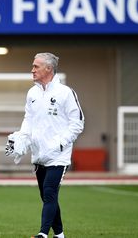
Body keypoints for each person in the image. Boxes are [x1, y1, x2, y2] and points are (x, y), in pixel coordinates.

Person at [6, 52, 84, 238]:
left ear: (48, 69)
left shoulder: (66, 93)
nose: (32, 70)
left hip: (58, 155)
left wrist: (60, 144)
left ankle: (42, 234)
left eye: (36, 66)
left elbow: (78, 123)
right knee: (47, 196)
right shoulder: (32, 93)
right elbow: (29, 118)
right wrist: (22, 137)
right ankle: (59, 234)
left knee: (49, 192)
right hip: (39, 154)